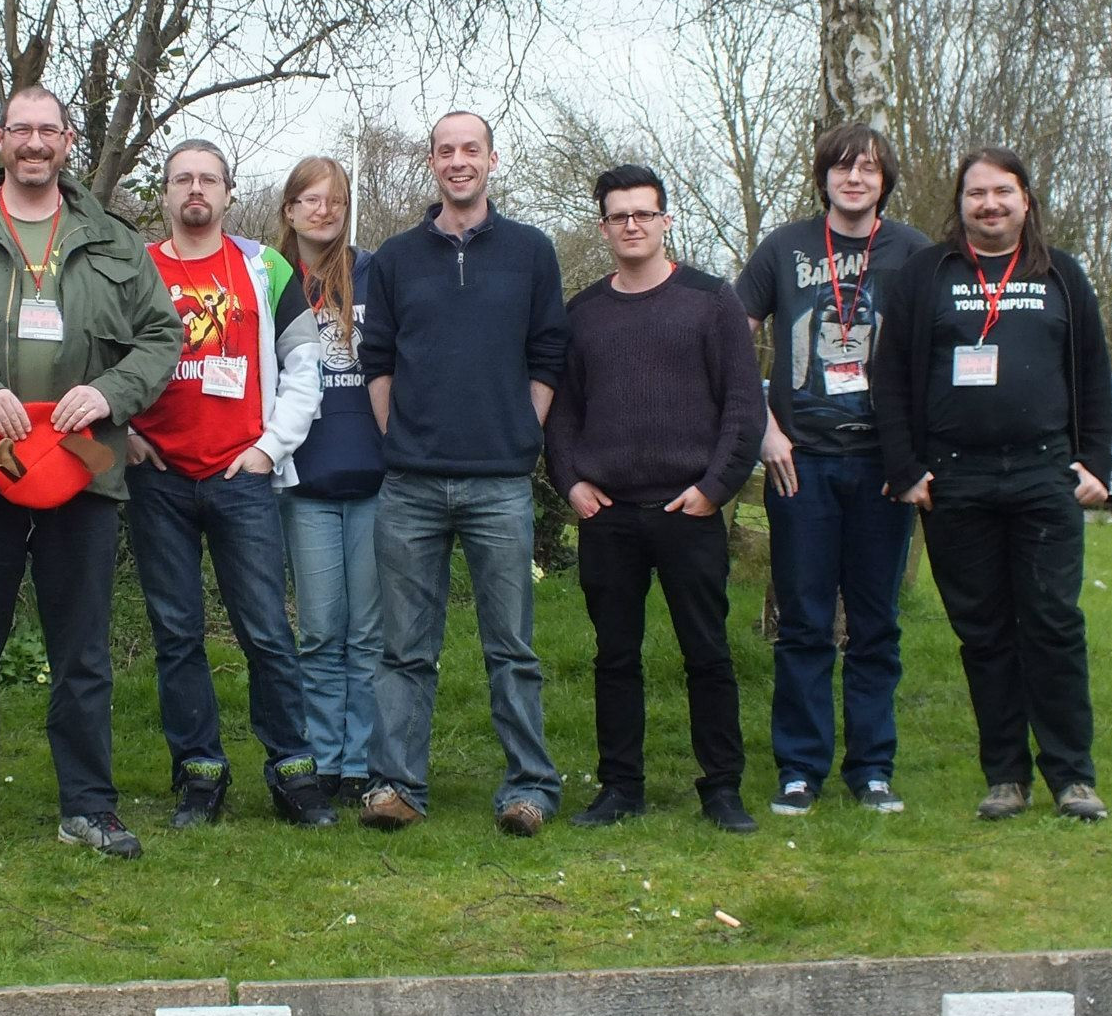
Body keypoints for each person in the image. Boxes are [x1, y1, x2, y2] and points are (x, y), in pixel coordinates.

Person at [0, 85, 183, 861]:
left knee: (82, 649)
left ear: (69, 141)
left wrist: (109, 393)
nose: (36, 143)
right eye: (22, 130)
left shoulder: (113, 241)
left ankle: (89, 805)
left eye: (50, 130)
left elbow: (161, 338)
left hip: (83, 467)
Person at [873, 146, 1112, 822]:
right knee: (983, 633)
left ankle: (1072, 776)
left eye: (1002, 192)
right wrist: (906, 469)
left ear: (1025, 200)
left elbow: (1094, 374)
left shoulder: (1061, 274)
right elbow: (890, 377)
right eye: (976, 193)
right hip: (956, 480)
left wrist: (1097, 463)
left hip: (1044, 474)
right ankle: (1006, 776)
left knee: (1053, 624)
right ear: (960, 204)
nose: (990, 205)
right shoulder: (927, 274)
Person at [357, 111, 567, 837]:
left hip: (499, 483)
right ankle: (396, 786)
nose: (458, 161)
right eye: (445, 150)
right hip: (410, 485)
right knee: (404, 650)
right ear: (432, 163)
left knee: (511, 648)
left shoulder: (531, 251)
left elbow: (549, 353)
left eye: (470, 149)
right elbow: (377, 358)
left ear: (491, 160)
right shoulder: (396, 257)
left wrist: (522, 430)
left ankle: (529, 788)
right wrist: (399, 434)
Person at [545, 164, 767, 833]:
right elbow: (562, 412)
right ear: (604, 227)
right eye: (619, 215)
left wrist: (714, 489)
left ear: (666, 221)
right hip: (608, 515)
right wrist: (571, 480)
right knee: (615, 658)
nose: (632, 225)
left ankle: (721, 788)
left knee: (708, 654)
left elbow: (742, 405)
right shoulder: (583, 313)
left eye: (644, 213)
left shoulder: (711, 301)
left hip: (688, 510)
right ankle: (620, 787)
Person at [125, 140, 337, 829]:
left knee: (267, 630)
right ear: (165, 193)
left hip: (240, 476)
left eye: (208, 180)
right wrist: (121, 434)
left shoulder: (265, 266)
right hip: (158, 477)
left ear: (227, 192)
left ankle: (293, 771)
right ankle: (200, 774)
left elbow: (304, 367)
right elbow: (98, 360)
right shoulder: (135, 269)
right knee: (177, 633)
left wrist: (270, 449)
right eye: (183, 179)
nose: (196, 189)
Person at [737, 123, 929, 817]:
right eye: (842, 167)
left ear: (885, 180)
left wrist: (914, 456)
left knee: (876, 624)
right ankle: (800, 768)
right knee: (805, 623)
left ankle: (872, 769)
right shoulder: (785, 248)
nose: (854, 178)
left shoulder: (914, 252)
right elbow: (730, 337)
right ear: (823, 177)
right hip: (802, 464)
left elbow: (939, 350)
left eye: (868, 169)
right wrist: (764, 430)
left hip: (882, 467)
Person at [275, 157, 386, 805]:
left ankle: (361, 762)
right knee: (319, 630)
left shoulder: (374, 272)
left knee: (368, 633)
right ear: (290, 209)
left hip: (374, 478)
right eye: (311, 200)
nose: (325, 211)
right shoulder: (272, 278)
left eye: (336, 200)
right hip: (305, 482)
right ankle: (321, 755)